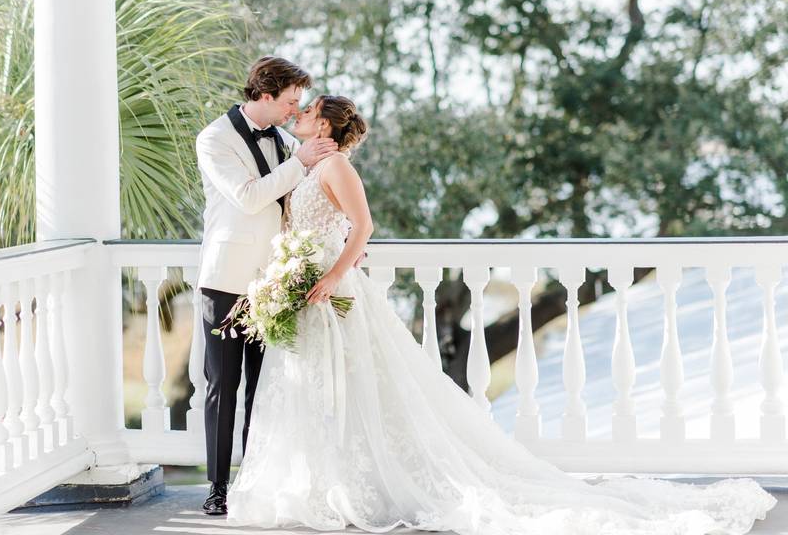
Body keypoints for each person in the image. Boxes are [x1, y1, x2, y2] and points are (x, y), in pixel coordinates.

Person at [225, 94, 777, 534]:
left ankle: (363, 483)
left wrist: (329, 275)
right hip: (305, 291)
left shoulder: (338, 166)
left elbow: (363, 227)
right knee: (318, 390)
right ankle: (324, 480)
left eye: (309, 109)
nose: (299, 114)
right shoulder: (307, 167)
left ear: (326, 124)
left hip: (333, 294)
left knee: (359, 390)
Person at [194, 56, 338, 515]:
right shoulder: (215, 138)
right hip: (227, 280)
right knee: (223, 386)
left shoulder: (281, 139)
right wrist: (297, 161)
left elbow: (301, 202)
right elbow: (251, 197)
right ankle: (217, 488)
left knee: (265, 386)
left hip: (275, 282)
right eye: (291, 101)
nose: (296, 111)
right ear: (265, 94)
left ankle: (253, 483)